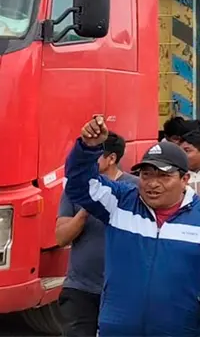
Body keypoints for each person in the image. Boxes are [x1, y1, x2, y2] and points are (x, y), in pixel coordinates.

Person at [64, 119, 200, 336]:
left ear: (184, 179)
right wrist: (87, 148)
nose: (152, 183)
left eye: (163, 175)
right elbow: (78, 184)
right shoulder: (120, 202)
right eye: (146, 174)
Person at [56, 133, 140, 337]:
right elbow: (61, 238)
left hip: (123, 289)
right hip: (81, 288)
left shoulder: (135, 189)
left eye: (94, 155)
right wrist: (86, 209)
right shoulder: (77, 189)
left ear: (111, 158)